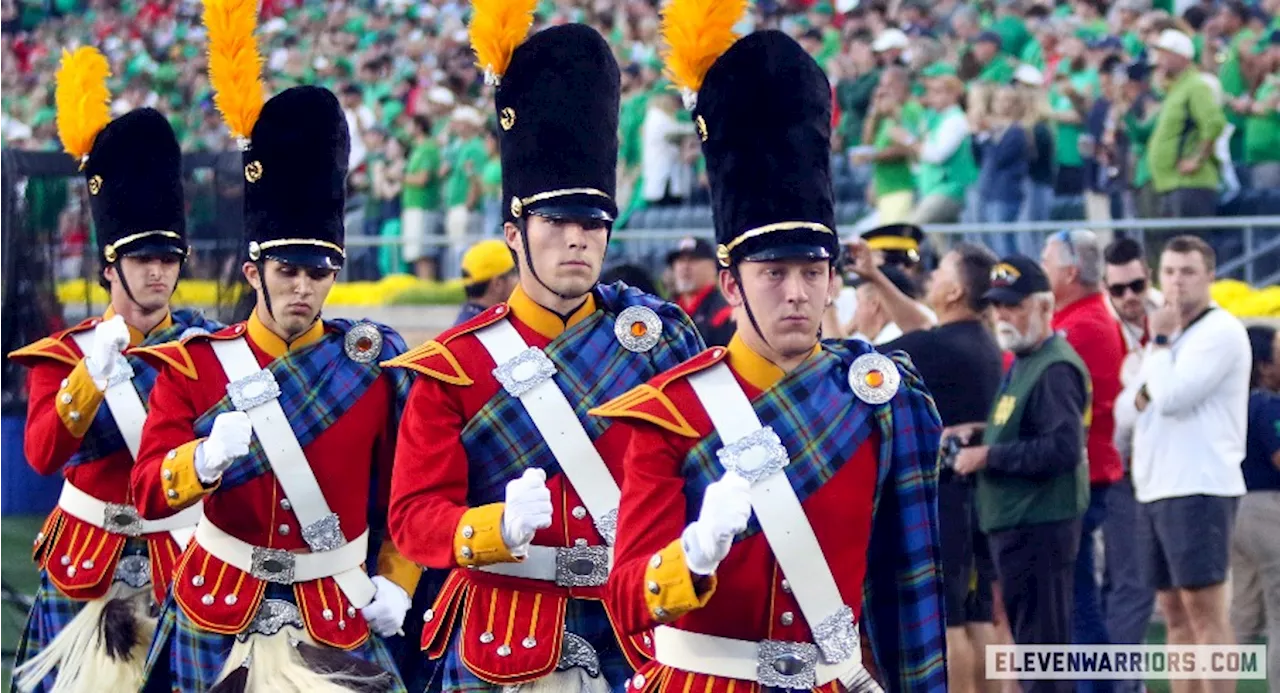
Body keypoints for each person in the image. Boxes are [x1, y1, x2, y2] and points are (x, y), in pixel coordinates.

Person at [593, 23, 946, 692]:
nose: (795, 293)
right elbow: (625, 597)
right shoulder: (670, 409)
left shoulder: (881, 397)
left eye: (813, 272)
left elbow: (912, 587)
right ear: (731, 284)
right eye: (773, 273)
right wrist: (690, 559)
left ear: (834, 278)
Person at [381, 20, 705, 693]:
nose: (577, 240)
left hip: (636, 625)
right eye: (556, 223)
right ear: (513, 235)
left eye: (591, 223)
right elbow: (413, 518)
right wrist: (491, 527)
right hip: (502, 635)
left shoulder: (660, 339)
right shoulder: (455, 363)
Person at [131, 11, 418, 689]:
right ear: (254, 271)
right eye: (287, 270)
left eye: (317, 272)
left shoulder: (374, 366)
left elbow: (404, 495)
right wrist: (199, 460)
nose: (302, 286)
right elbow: (147, 490)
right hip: (216, 602)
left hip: (337, 606)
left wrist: (398, 579)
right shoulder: (194, 362)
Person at [8, 47, 222, 693]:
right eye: (142, 258)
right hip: (88, 559)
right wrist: (87, 380)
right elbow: (44, 453)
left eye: (169, 257)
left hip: (178, 554)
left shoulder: (208, 348)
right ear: (110, 266)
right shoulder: (63, 354)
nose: (159, 271)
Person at [852, 241, 1004, 693]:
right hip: (977, 495)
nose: (931, 278)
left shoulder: (937, 347)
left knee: (947, 621)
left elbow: (871, 355)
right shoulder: (977, 339)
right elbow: (924, 326)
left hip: (946, 496)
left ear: (955, 291)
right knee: (977, 615)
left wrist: (860, 322)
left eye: (941, 274)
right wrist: (877, 278)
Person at [1117, 235, 1251, 693]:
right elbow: (1131, 405)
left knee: (1204, 610)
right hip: (1155, 485)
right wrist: (1156, 360)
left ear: (1210, 275)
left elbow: (1170, 398)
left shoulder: (1220, 332)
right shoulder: (1171, 341)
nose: (1177, 282)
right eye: (1170, 271)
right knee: (1172, 613)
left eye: (1188, 271)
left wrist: (1156, 346)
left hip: (1199, 483)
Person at [953, 255, 1090, 693]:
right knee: (1033, 652)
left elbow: (1063, 448)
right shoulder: (1027, 360)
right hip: (1021, 526)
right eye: (996, 306)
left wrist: (987, 457)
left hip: (1039, 527)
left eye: (1013, 305)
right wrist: (980, 432)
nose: (1002, 315)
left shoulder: (1053, 367)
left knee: (1042, 656)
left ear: (1045, 306)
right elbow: (1028, 429)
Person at [1039, 229, 1124, 681]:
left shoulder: (1082, 326)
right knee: (1074, 601)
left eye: (1047, 261)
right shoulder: (1080, 319)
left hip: (1079, 479)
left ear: (1070, 272)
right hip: (1080, 474)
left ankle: (1099, 686)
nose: (1042, 267)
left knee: (1078, 605)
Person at [1101, 237, 1159, 680]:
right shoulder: (1101, 325)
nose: (1129, 297)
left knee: (1135, 585)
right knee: (1133, 584)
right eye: (1118, 289)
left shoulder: (1166, 316)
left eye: (1136, 285)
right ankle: (1120, 683)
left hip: (1159, 468)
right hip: (1117, 469)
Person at [1230, 325, 1280, 689]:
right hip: (1267, 510)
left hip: (1233, 508)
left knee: (1243, 614)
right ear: (1263, 365)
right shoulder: (1267, 404)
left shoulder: (1232, 401)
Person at [666, 236, 734, 347]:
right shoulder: (665, 308)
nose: (685, 266)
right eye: (680, 261)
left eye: (693, 260)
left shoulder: (724, 312)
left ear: (713, 267)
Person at [455, 239, 517, 326]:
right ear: (498, 284)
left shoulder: (465, 324)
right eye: (515, 273)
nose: (520, 280)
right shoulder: (491, 331)